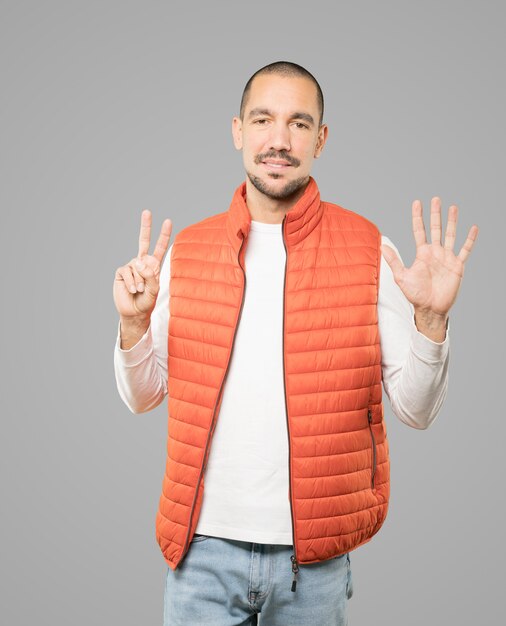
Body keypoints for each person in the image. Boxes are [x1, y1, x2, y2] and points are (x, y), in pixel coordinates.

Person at [113, 61, 478, 626]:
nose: (278, 140)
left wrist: (431, 318)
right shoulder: (188, 249)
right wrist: (134, 327)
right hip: (199, 555)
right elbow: (142, 396)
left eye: (299, 123)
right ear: (238, 130)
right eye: (263, 120)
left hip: (315, 566)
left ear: (321, 139)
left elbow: (416, 409)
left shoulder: (365, 247)